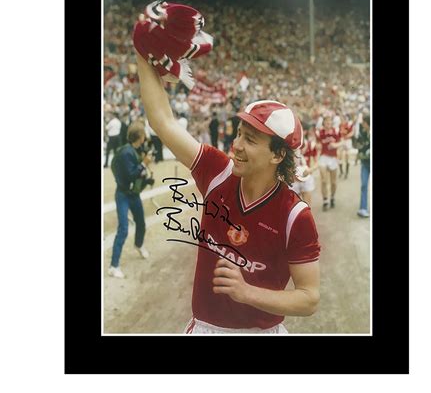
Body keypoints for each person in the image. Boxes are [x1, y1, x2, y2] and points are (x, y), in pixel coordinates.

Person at [136, 53, 321, 334]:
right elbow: (163, 121)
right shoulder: (217, 171)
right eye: (238, 133)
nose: (236, 145)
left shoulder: (295, 215)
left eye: (250, 139)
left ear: (278, 155)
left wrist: (246, 292)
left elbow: (308, 298)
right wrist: (142, 51)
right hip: (206, 328)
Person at [108, 121, 153, 279]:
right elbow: (131, 174)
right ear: (140, 137)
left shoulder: (133, 150)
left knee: (141, 222)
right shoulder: (127, 152)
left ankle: (139, 244)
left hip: (131, 194)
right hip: (124, 195)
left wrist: (146, 180)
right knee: (123, 228)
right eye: (143, 135)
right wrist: (144, 164)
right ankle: (114, 266)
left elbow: (135, 175)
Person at [316, 115, 343, 211]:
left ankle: (332, 197)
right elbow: (317, 143)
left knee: (333, 182)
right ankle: (325, 200)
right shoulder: (320, 132)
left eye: (330, 122)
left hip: (333, 158)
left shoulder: (336, 131)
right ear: (323, 123)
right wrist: (318, 146)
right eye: (327, 122)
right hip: (323, 157)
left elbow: (341, 142)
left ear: (332, 123)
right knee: (323, 180)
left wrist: (335, 145)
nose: (328, 123)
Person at [354, 114, 370, 217]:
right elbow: (359, 146)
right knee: (364, 185)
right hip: (365, 163)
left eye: (364, 122)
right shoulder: (362, 133)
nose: (362, 124)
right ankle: (363, 208)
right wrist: (357, 157)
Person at [338, 113, 354, 179]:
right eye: (341, 118)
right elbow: (338, 134)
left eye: (343, 118)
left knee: (347, 156)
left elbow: (352, 132)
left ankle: (346, 173)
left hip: (347, 141)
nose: (342, 119)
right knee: (339, 156)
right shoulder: (340, 125)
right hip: (342, 141)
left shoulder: (349, 124)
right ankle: (341, 172)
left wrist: (347, 136)